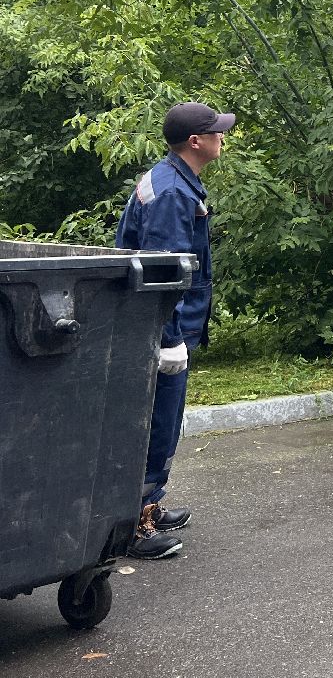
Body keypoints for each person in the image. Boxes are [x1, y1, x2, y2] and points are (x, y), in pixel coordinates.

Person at [115, 100, 235, 560]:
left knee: (160, 420)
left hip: (164, 328)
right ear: (195, 141)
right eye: (217, 132)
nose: (222, 138)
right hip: (160, 331)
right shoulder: (170, 194)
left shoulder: (176, 182)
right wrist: (168, 340)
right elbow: (163, 277)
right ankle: (135, 525)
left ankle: (149, 502)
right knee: (157, 423)